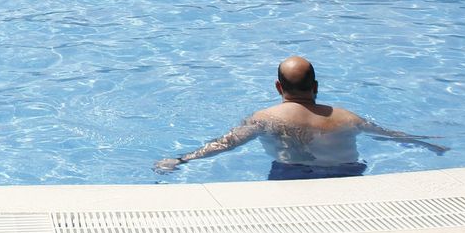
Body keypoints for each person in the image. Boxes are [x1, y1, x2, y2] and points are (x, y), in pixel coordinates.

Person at [153, 57, 448, 178]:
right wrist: (429, 143)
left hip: (293, 176)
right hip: (350, 175)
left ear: (278, 88)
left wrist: (181, 159)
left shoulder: (266, 118)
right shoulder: (347, 116)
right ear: (316, 87)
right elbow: (388, 134)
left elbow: (226, 144)